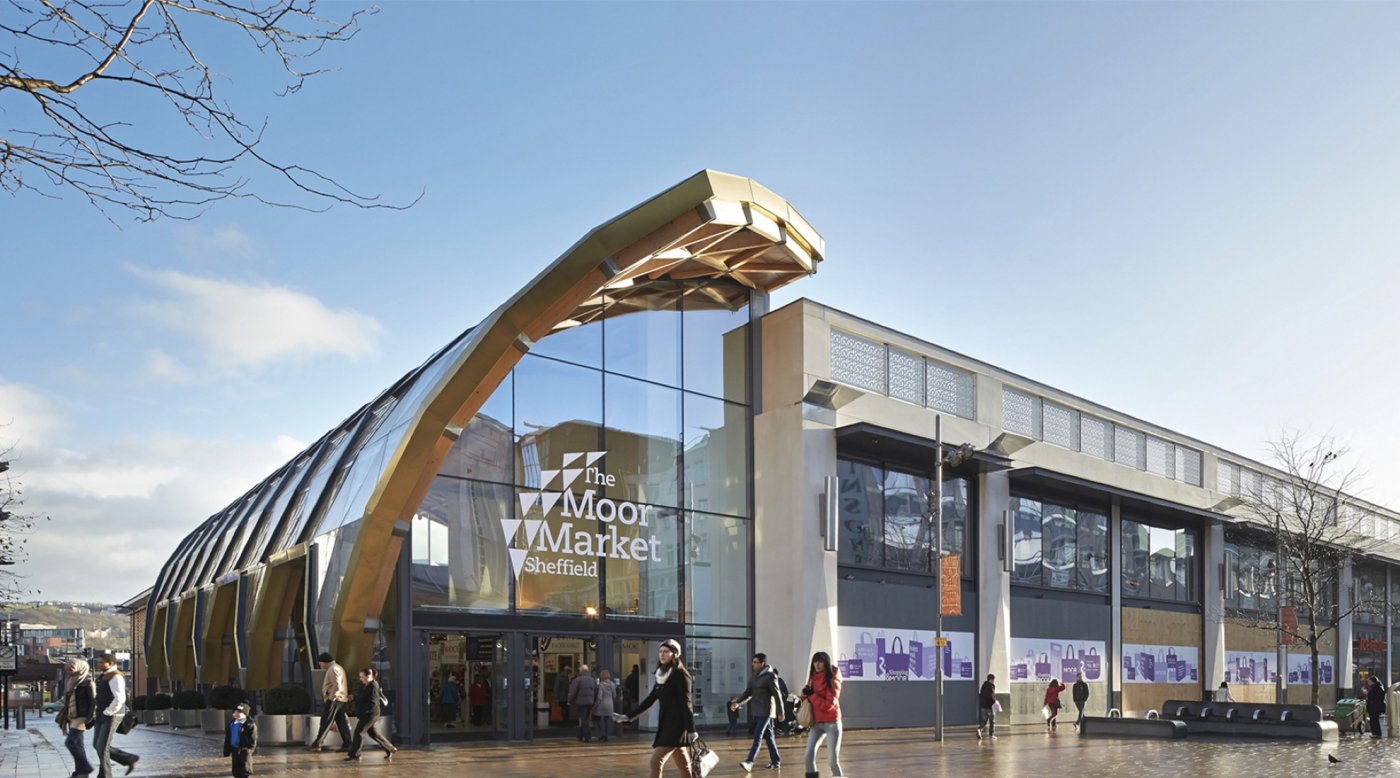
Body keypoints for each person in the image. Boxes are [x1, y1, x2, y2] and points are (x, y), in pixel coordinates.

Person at [613, 639, 694, 778]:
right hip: (665, 724)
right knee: (684, 765)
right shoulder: (660, 675)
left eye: (666, 652)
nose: (662, 654)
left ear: (674, 654)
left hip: (677, 726)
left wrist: (692, 729)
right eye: (660, 651)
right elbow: (650, 699)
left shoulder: (681, 675)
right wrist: (628, 716)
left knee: (656, 761)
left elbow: (686, 703)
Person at [730, 652, 782, 771]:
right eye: (753, 662)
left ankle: (750, 761)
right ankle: (776, 761)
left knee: (758, 735)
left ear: (762, 663)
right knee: (769, 737)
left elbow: (777, 695)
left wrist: (781, 712)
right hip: (757, 711)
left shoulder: (770, 676)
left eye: (755, 662)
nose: (753, 664)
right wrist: (738, 703)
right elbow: (748, 693)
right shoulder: (754, 676)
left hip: (767, 711)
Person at [90, 653, 138, 778]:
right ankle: (128, 758)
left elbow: (120, 698)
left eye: (101, 662)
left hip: (112, 714)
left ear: (110, 663)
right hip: (101, 713)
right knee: (97, 745)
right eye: (98, 662)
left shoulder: (116, 676)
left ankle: (105, 775)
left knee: (102, 747)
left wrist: (108, 711)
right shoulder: (104, 676)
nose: (98, 664)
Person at [799, 651, 843, 778]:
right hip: (816, 723)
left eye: (820, 662)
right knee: (808, 756)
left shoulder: (833, 679)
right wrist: (803, 695)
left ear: (826, 663)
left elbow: (828, 705)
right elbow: (806, 697)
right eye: (815, 661)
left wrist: (812, 695)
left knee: (832, 761)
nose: (817, 664)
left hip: (832, 723)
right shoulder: (812, 677)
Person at [347, 668, 398, 762]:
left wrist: (363, 711)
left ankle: (355, 755)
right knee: (373, 733)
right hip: (369, 713)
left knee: (359, 732)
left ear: (368, 676)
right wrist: (354, 697)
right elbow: (362, 696)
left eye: (362, 677)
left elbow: (372, 702)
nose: (360, 679)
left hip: (370, 714)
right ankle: (390, 748)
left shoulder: (373, 686)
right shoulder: (367, 685)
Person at [58, 657, 96, 777]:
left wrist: (90, 718)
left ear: (80, 668)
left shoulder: (88, 682)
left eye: (71, 669)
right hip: (72, 716)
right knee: (78, 744)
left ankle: (86, 768)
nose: (69, 672)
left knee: (70, 742)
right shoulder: (70, 681)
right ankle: (80, 772)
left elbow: (93, 702)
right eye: (67, 670)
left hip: (82, 716)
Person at [308, 652, 352, 752]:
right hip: (339, 699)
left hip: (334, 699)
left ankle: (317, 744)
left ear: (324, 662)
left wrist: (331, 698)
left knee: (326, 721)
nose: (320, 665)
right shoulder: (337, 667)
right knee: (341, 722)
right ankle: (348, 743)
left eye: (320, 663)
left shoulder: (333, 669)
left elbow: (337, 685)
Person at [223, 703, 257, 778]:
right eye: (235, 712)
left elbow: (253, 737)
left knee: (245, 767)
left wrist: (251, 747)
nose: (236, 714)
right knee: (236, 767)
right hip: (234, 748)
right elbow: (227, 738)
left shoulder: (249, 725)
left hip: (244, 749)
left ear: (245, 714)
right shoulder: (231, 724)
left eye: (239, 712)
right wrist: (227, 750)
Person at [569, 663, 600, 742]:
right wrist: (594, 701)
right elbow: (596, 691)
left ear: (581, 671)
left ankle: (587, 736)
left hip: (581, 702)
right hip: (590, 702)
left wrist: (570, 700)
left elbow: (573, 692)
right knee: (585, 718)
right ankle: (580, 734)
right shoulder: (592, 680)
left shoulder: (577, 680)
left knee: (584, 719)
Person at [595, 669, 618, 742]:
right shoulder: (612, 684)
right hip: (610, 704)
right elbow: (614, 695)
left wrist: (595, 705)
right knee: (607, 720)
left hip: (602, 704)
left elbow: (599, 696)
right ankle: (607, 735)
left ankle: (602, 734)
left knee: (599, 719)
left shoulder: (601, 685)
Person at [976, 673, 997, 741]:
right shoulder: (991, 686)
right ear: (991, 680)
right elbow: (991, 697)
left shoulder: (983, 685)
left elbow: (982, 695)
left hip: (983, 706)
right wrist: (995, 702)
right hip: (989, 707)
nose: (994, 681)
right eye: (993, 680)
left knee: (983, 721)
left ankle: (979, 729)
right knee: (992, 721)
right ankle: (991, 735)